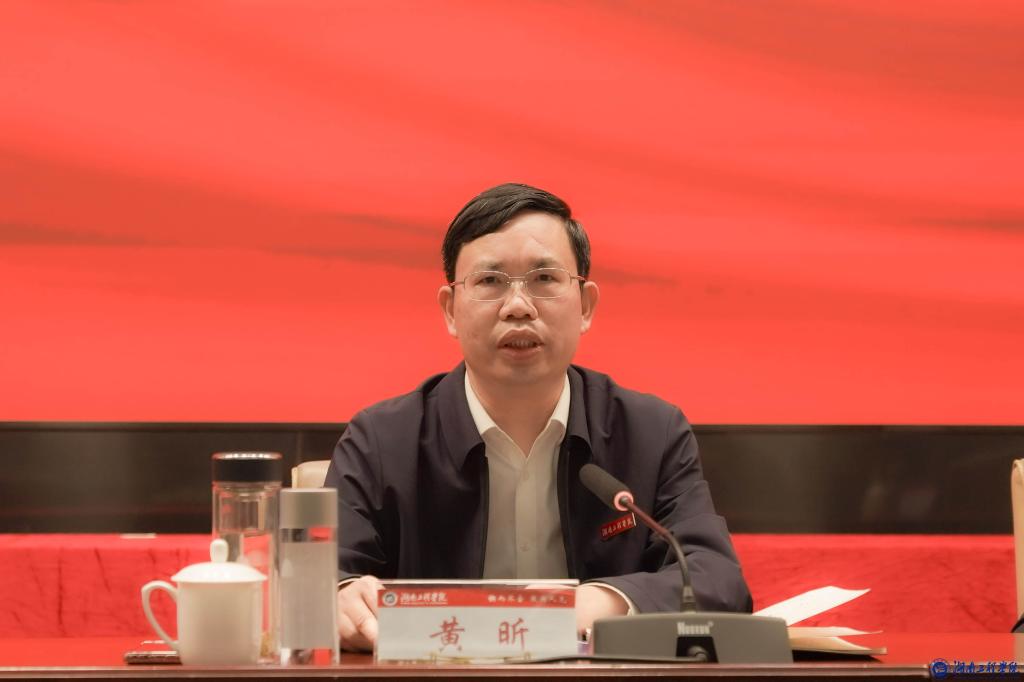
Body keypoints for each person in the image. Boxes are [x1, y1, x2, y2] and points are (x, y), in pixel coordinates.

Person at [325, 183, 751, 652]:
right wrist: (341, 599)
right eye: (490, 281)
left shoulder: (651, 433)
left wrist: (592, 604)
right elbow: (327, 581)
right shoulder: (382, 442)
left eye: (544, 278)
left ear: (585, 306)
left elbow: (715, 579)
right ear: (450, 311)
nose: (518, 307)